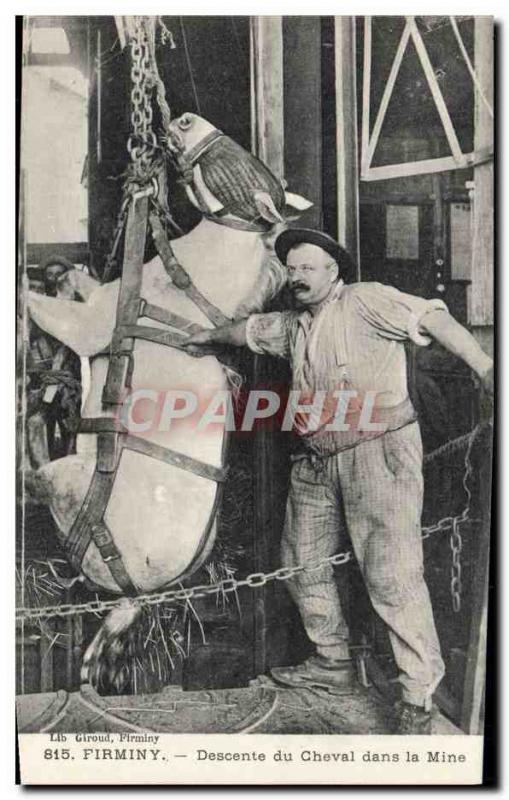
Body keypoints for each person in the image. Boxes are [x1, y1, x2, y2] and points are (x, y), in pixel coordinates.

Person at [182, 228, 493, 734]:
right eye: (292, 268)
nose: (298, 276)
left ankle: (418, 695)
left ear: (334, 272)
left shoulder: (367, 300)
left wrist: (485, 366)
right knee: (301, 563)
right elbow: (244, 331)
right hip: (315, 461)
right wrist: (197, 338)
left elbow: (431, 316)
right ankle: (332, 663)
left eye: (309, 266)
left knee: (391, 574)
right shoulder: (291, 325)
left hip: (377, 451)